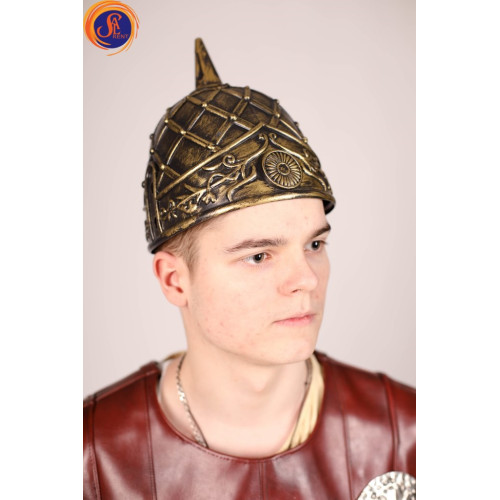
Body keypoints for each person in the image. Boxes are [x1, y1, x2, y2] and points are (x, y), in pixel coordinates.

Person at [83, 39, 415, 500]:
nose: (307, 279)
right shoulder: (90, 454)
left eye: (314, 244)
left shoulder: (407, 433)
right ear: (174, 280)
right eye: (259, 255)